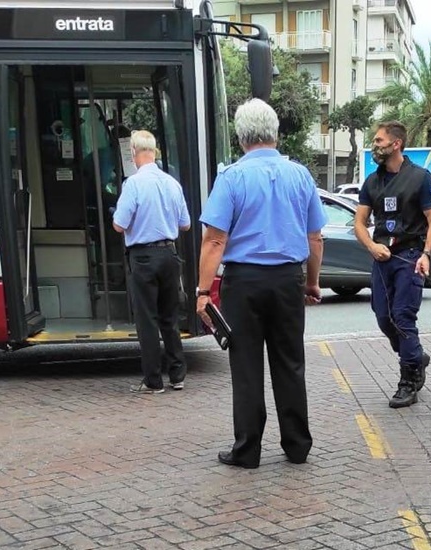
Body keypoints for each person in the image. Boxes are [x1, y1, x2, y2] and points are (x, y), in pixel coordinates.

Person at [195, 98, 326, 469]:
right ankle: (297, 445)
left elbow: (214, 240)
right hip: (287, 279)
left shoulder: (232, 177)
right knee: (290, 362)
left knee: (247, 365)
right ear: (276, 133)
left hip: (244, 282)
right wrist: (311, 282)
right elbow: (315, 237)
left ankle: (248, 449)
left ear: (241, 138)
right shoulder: (300, 175)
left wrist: (204, 292)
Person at [354, 121, 431, 409]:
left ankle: (408, 380)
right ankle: (415, 354)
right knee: (383, 316)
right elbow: (359, 222)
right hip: (382, 259)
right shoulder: (372, 182)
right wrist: (371, 246)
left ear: (396, 144)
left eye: (379, 140)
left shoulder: (420, 178)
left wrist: (426, 254)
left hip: (411, 257)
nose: (375, 145)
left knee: (403, 317)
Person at [112, 130, 190, 394]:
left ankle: (154, 381)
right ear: (154, 152)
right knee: (170, 317)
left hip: (143, 257)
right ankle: (178, 375)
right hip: (169, 254)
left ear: (134, 154)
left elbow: (119, 225)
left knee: (147, 319)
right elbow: (186, 224)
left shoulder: (133, 184)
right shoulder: (172, 183)